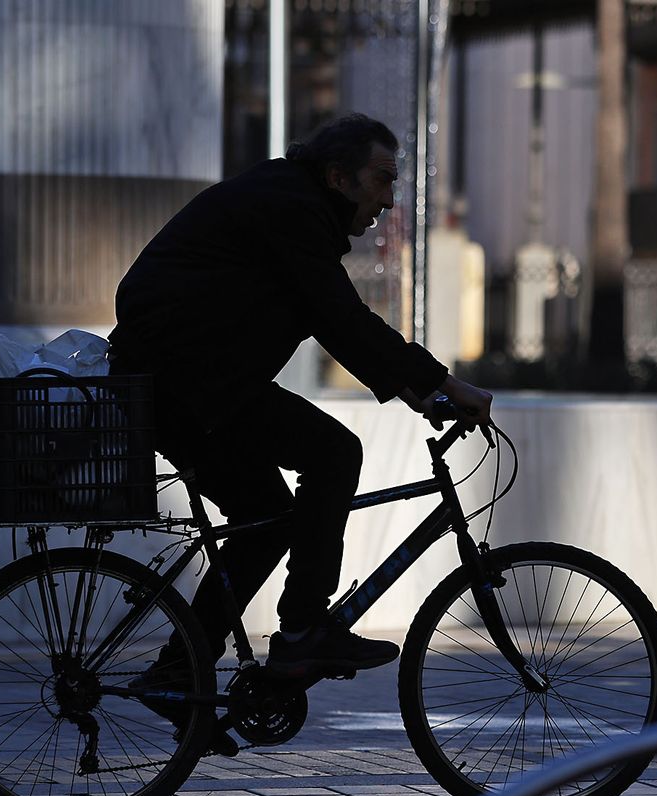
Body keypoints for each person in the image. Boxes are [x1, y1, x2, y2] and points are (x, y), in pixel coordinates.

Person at [108, 113, 493, 688]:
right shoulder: (292, 211)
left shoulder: (291, 203)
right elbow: (340, 316)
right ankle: (302, 631)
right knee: (334, 453)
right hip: (186, 384)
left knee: (267, 521)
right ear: (338, 177)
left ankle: (179, 669)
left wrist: (421, 394)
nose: (389, 199)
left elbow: (332, 324)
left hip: (189, 384)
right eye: (382, 180)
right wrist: (448, 383)